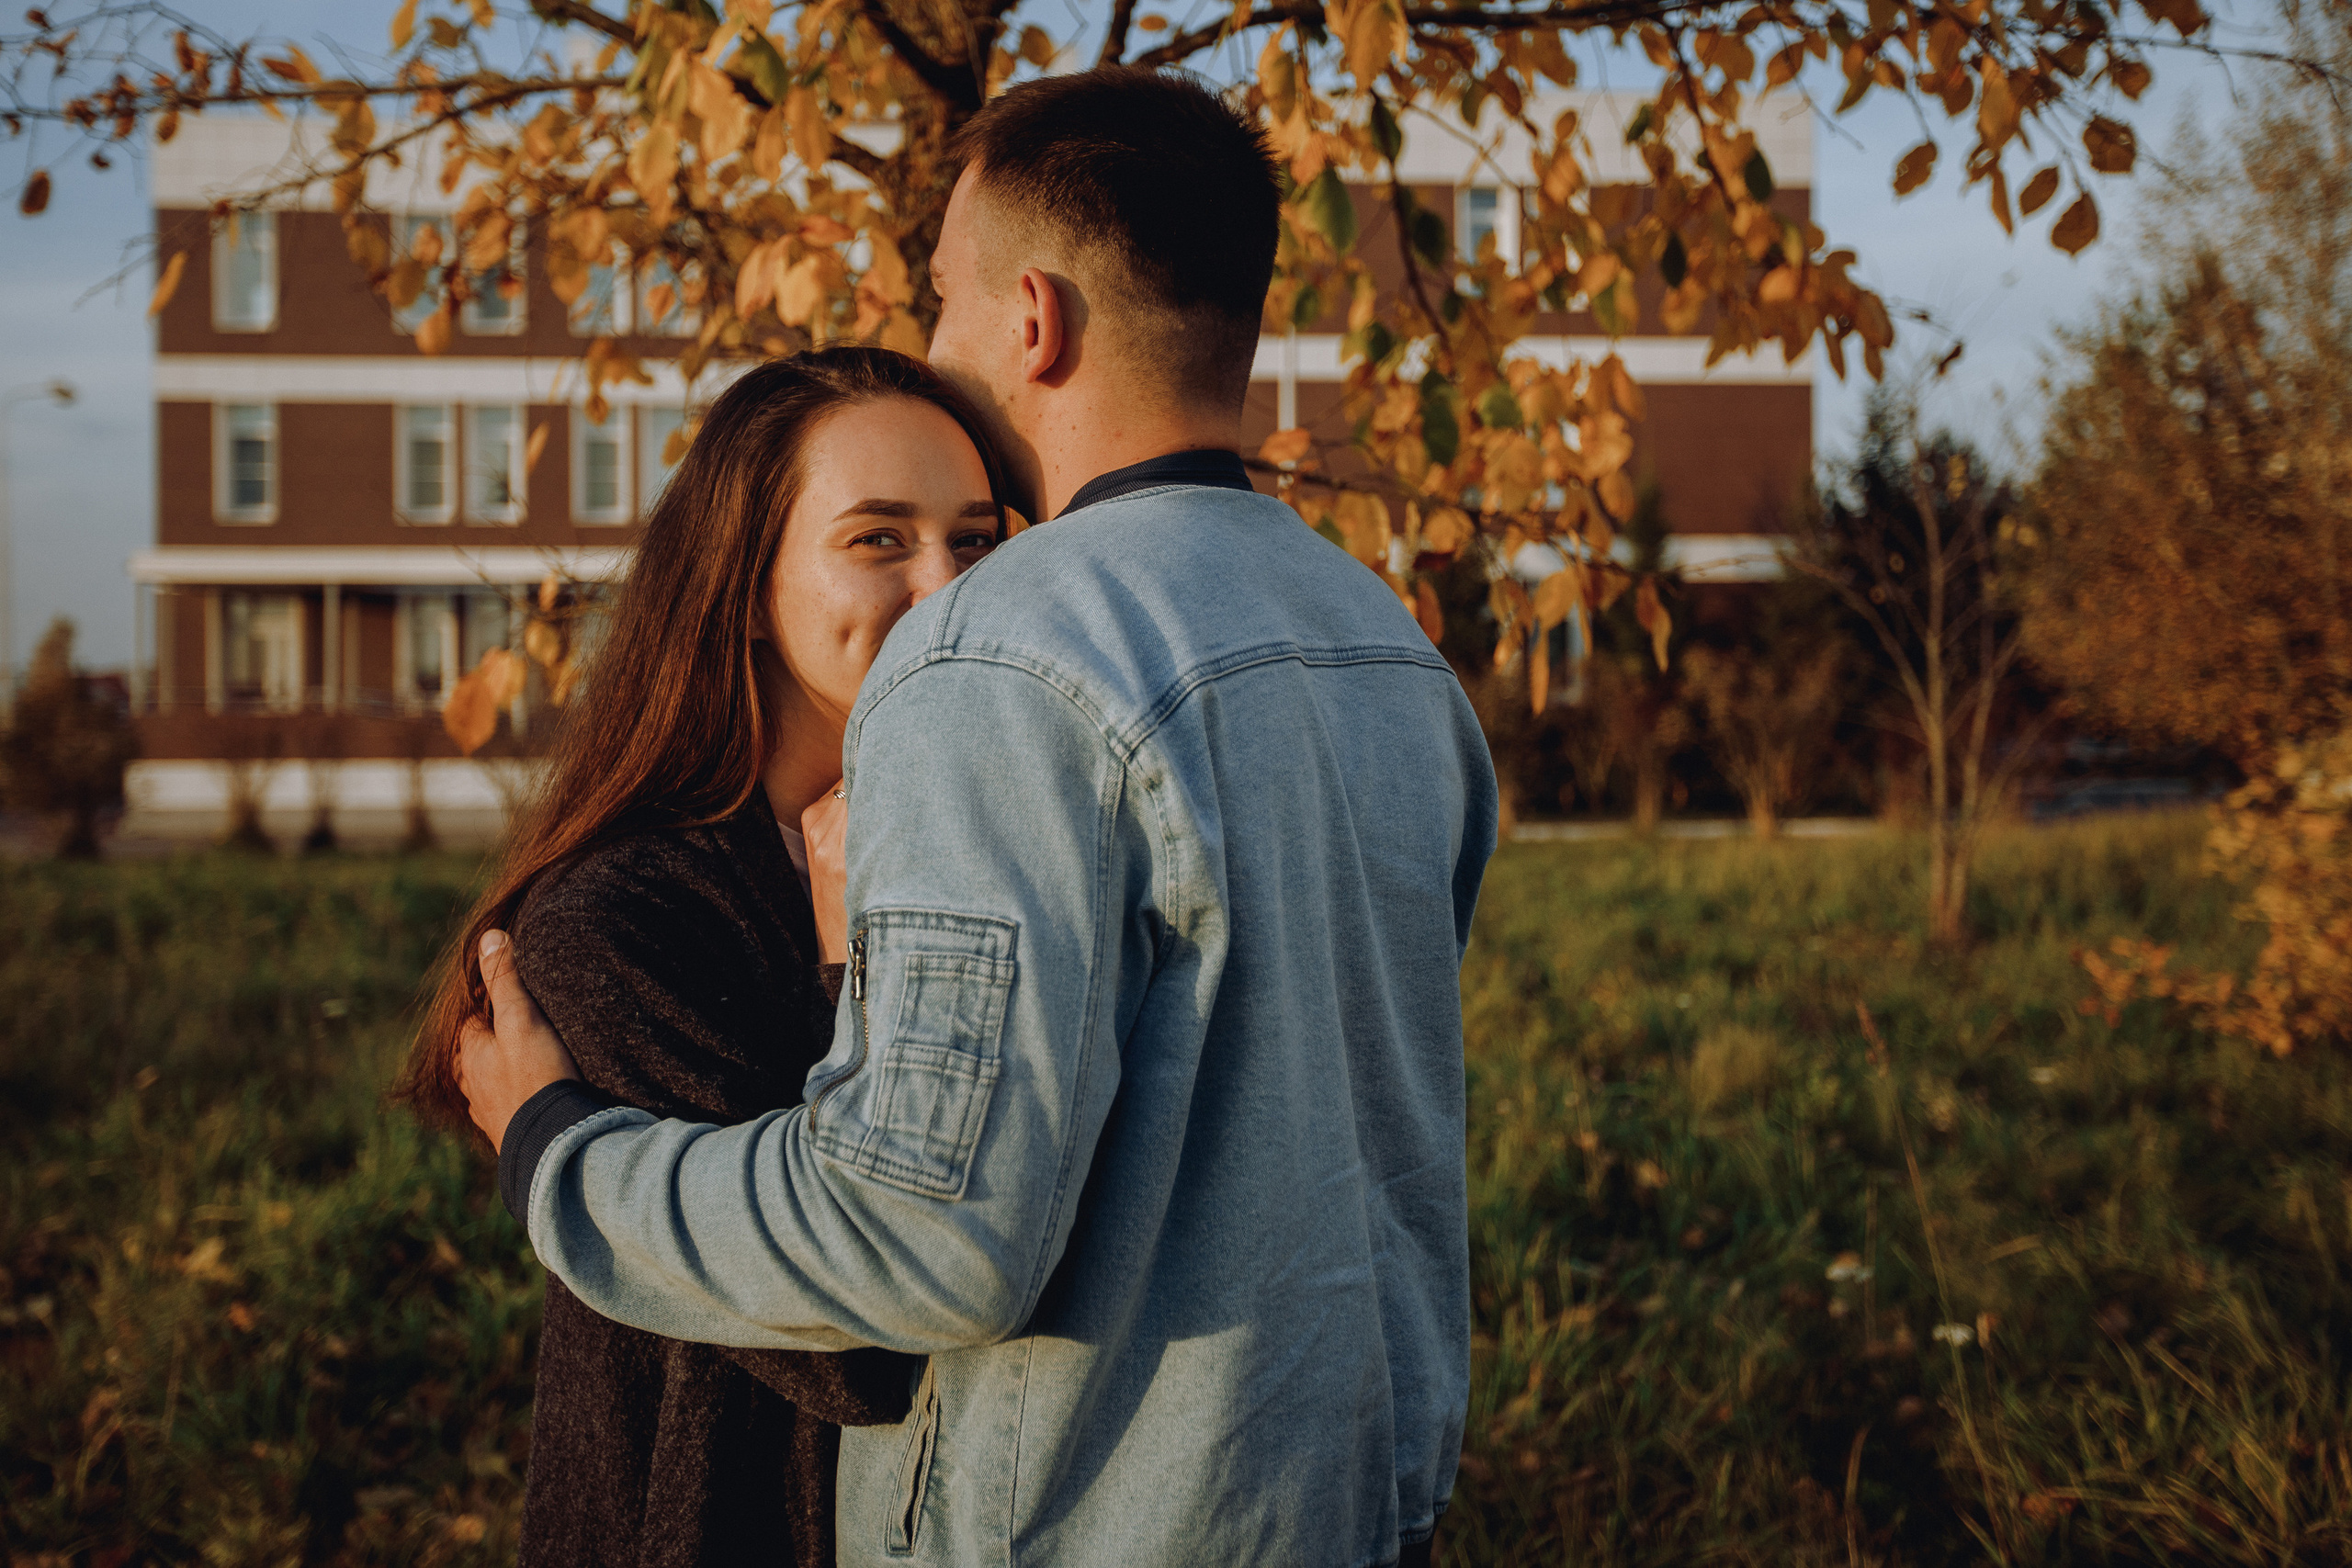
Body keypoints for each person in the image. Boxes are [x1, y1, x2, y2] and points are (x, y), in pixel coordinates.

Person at [460, 66, 1498, 1568]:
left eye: (942, 299)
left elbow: (924, 1237)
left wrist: (560, 1158)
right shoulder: (1392, 652)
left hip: (1085, 1522)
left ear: (1033, 318)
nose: (936, 346)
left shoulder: (994, 655)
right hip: (1357, 1504)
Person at [398, 349, 1008, 1566]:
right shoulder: (618, 921)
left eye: (976, 541)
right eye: (879, 539)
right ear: (742, 582)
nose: (945, 588)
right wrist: (851, 959)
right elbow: (855, 1338)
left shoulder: (983, 854)